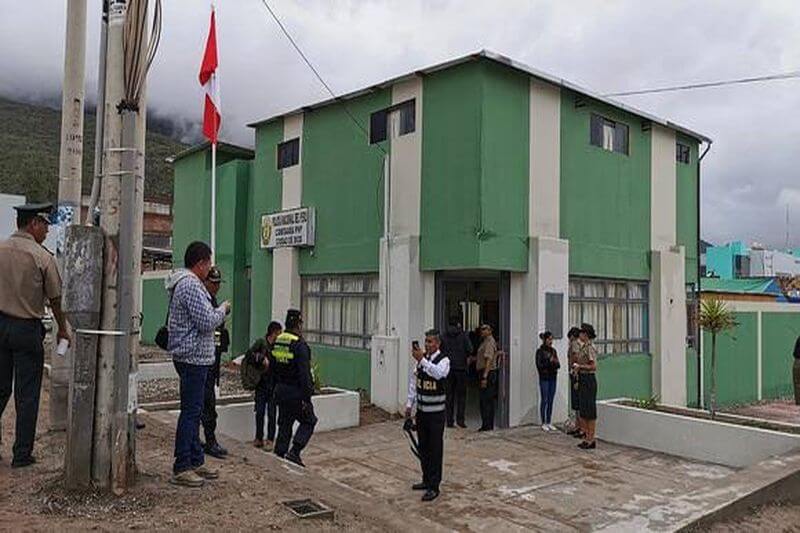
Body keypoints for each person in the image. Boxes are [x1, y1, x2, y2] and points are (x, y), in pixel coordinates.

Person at [0, 203, 70, 468]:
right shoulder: (42, 257)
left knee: (0, 388)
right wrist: (63, 329)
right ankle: (21, 454)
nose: (47, 229)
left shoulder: (1, 248)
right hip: (26, 329)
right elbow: (56, 299)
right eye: (45, 224)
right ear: (33, 224)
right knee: (27, 394)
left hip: (0, 325)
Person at [166, 242, 230, 487]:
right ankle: (182, 465)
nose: (209, 270)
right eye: (208, 264)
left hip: (194, 357)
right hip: (192, 357)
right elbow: (206, 321)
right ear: (201, 263)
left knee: (195, 411)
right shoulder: (190, 285)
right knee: (191, 413)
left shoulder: (185, 284)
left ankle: (195, 460)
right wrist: (223, 309)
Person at [405, 329, 450, 502]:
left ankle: (434, 486)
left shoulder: (443, 360)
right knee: (423, 448)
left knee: (435, 449)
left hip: (436, 414)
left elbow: (439, 374)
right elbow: (414, 383)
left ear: (438, 344)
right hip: (422, 413)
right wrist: (409, 405)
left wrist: (422, 360)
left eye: (431, 342)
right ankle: (426, 479)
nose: (427, 345)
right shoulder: (421, 361)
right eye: (426, 342)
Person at [272, 309, 317, 467]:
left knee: (285, 423)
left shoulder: (279, 341)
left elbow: (272, 367)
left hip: (280, 390)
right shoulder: (299, 345)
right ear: (298, 324)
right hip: (296, 392)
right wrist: (307, 398)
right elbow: (304, 374)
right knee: (309, 420)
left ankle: (279, 454)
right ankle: (295, 452)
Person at [200, 266, 230, 459]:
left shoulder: (213, 300)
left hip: (212, 358)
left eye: (218, 284)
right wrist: (221, 311)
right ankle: (208, 441)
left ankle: (208, 440)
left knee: (208, 403)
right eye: (213, 283)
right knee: (205, 403)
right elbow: (208, 323)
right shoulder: (205, 300)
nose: (216, 287)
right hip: (203, 360)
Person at [254, 321, 282, 450]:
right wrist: (260, 358)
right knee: (259, 412)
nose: (279, 335)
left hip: (273, 384)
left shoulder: (279, 347)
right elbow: (250, 355)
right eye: (278, 333)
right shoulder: (261, 343)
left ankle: (270, 439)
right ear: (273, 332)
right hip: (261, 384)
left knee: (272, 414)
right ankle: (259, 438)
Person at [442, 316, 472, 428]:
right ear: (458, 324)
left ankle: (449, 421)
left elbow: (440, 351)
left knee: (449, 396)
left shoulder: (444, 336)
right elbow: (470, 349)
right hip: (461, 369)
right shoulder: (463, 335)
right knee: (461, 396)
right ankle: (461, 421)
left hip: (448, 370)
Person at [574, 323, 598, 450]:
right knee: (583, 409)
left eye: (582, 333)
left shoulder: (590, 348)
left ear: (586, 335)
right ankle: (586, 437)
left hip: (589, 379)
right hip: (582, 379)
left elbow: (593, 366)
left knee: (590, 410)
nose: (580, 335)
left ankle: (591, 439)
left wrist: (580, 367)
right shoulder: (583, 347)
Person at [536, 331, 560, 431]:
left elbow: (558, 365)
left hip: (553, 377)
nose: (551, 341)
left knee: (551, 400)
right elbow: (539, 366)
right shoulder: (540, 351)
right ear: (544, 340)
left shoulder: (553, 351)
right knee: (544, 399)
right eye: (549, 339)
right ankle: (543, 422)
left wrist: (553, 362)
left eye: (552, 339)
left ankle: (549, 421)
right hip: (544, 378)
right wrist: (549, 362)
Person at [476, 324, 498, 432]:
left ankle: (487, 425)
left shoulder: (489, 342)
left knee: (486, 400)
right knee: (485, 400)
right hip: (485, 372)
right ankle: (486, 424)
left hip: (487, 373)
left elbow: (488, 360)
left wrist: (485, 376)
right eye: (482, 329)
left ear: (490, 330)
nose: (482, 331)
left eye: (485, 329)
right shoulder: (485, 341)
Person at [566, 327, 582, 435]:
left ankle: (579, 426)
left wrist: (574, 369)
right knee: (575, 402)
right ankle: (577, 426)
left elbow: (575, 357)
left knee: (577, 401)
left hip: (575, 373)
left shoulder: (575, 344)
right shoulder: (576, 343)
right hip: (574, 372)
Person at [794, 334, 800, 405]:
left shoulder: (798, 338)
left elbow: (795, 352)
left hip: (797, 362)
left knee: (797, 383)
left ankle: (798, 402)